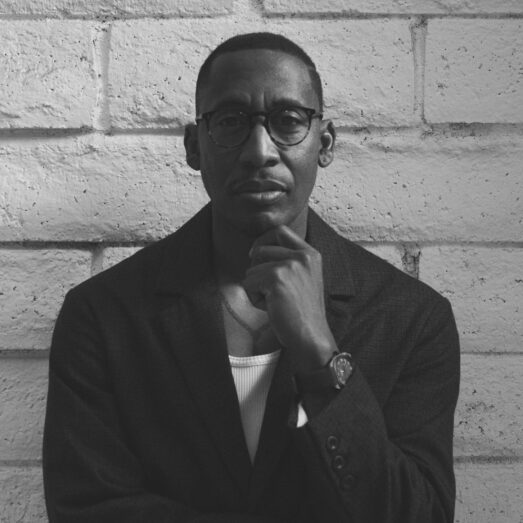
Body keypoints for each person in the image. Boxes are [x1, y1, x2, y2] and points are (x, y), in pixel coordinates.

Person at [43, 32, 460, 522]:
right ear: (194, 146)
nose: (259, 150)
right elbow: (87, 509)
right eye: (231, 122)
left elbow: (421, 515)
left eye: (288, 121)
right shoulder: (103, 314)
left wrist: (320, 356)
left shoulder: (411, 320)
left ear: (324, 144)